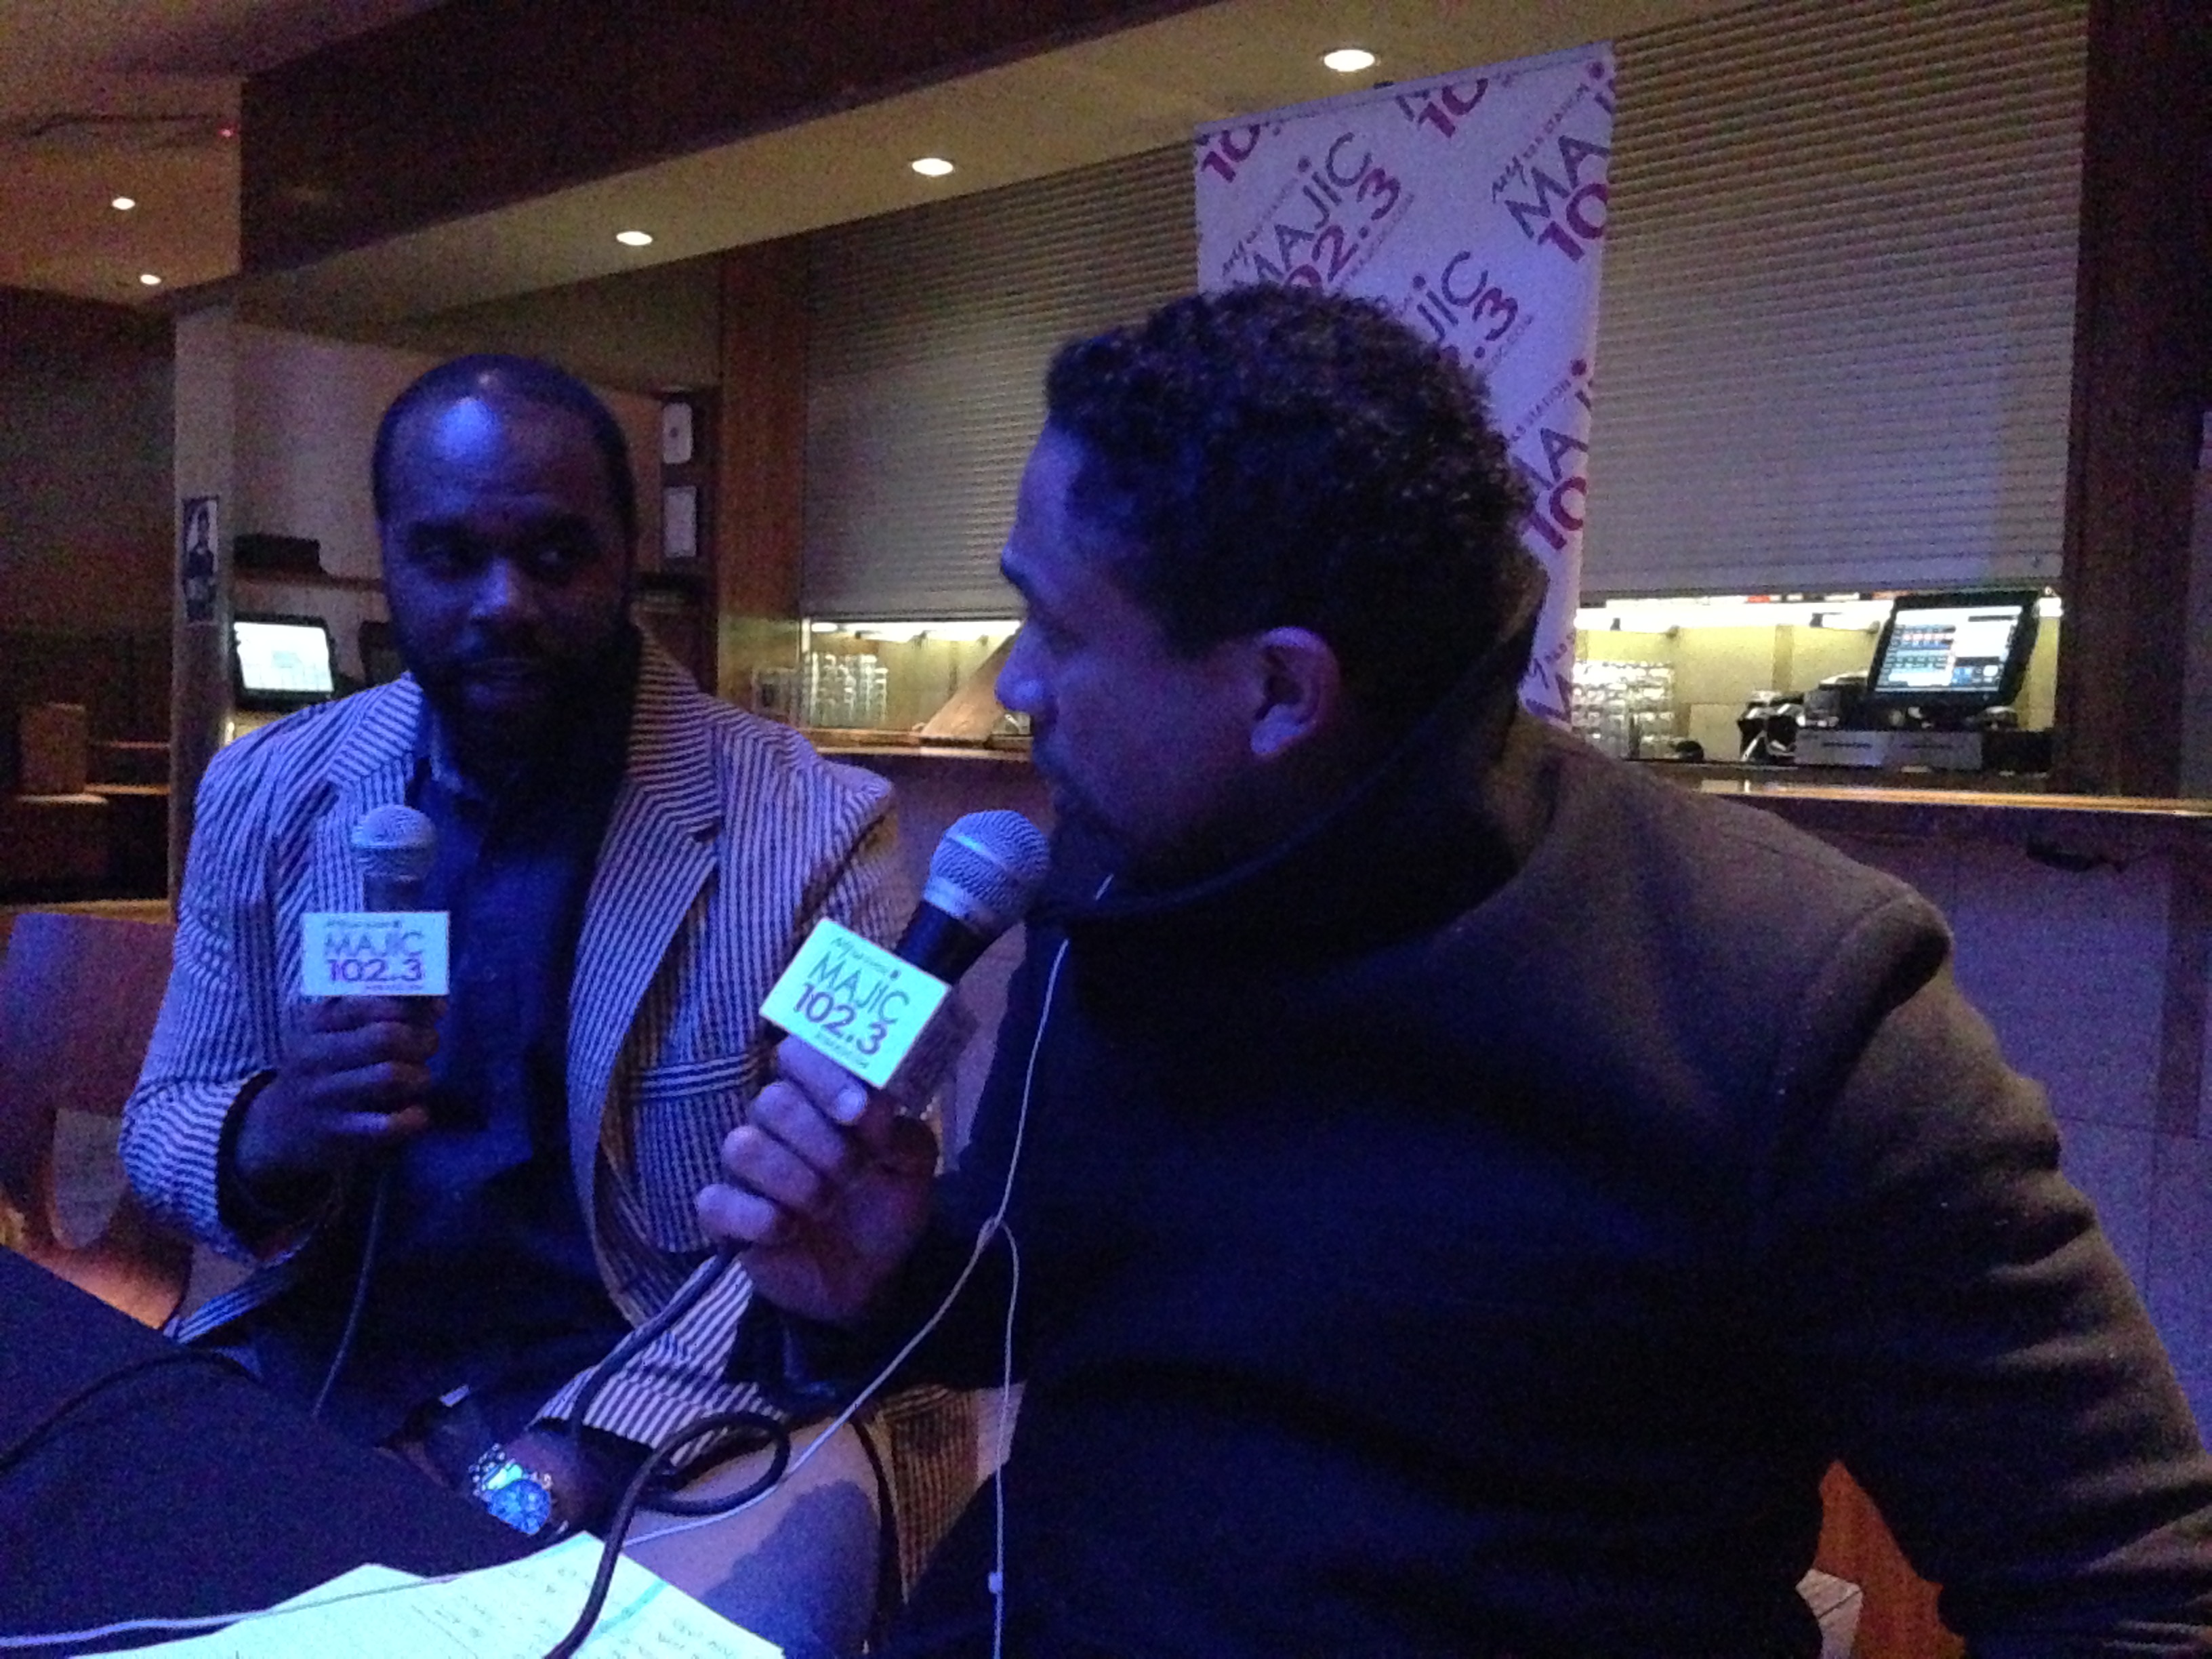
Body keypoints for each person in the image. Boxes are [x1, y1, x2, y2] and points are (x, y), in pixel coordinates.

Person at [701, 286, 2212, 1656]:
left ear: (1280, 689)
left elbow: (2131, 1593)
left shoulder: (1794, 1000)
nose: (1014, 684)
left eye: (1055, 627)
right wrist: (881, 1280)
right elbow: (1072, 1300)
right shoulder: (1112, 876)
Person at [123, 354, 935, 1656]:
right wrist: (279, 1127)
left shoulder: (819, 829)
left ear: (627, 556)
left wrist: (578, 1455)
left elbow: (834, 1222)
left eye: (556, 555)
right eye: (450, 558)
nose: (505, 603)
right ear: (390, 559)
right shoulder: (269, 791)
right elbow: (165, 1121)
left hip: (649, 1392)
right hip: (320, 1356)